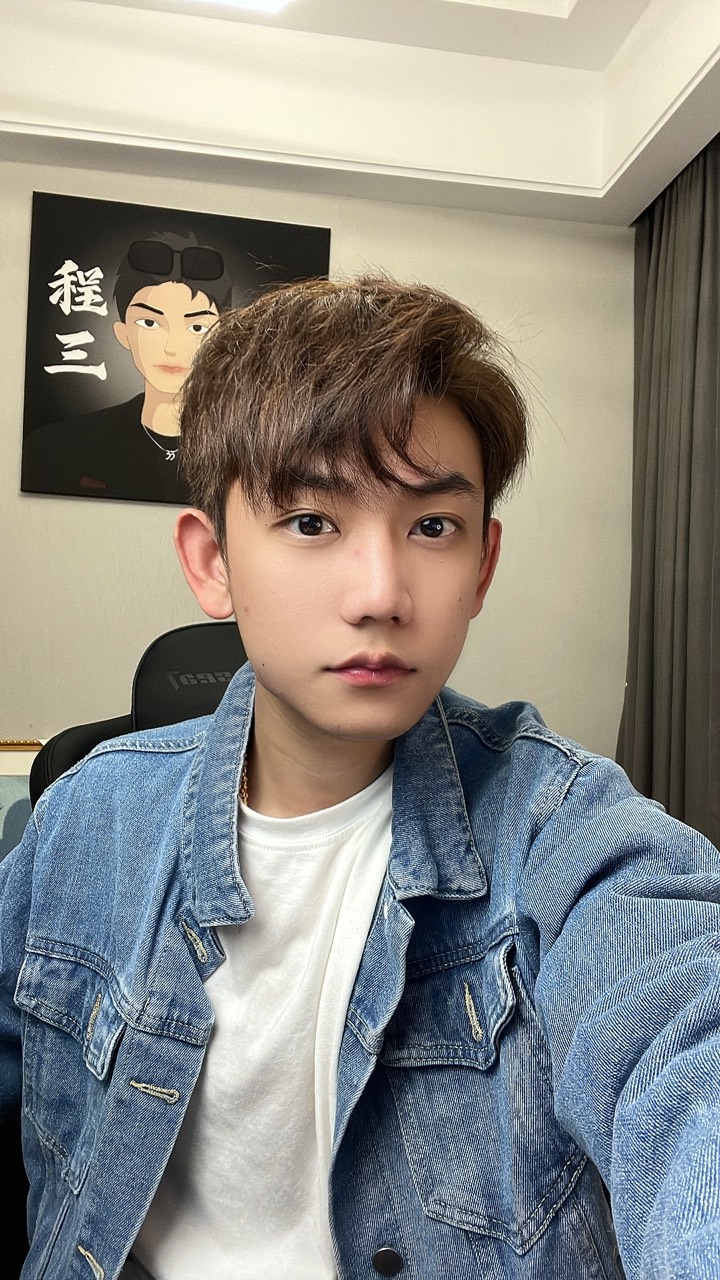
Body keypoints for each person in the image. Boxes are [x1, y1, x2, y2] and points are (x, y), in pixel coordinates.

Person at [3, 276, 720, 1280]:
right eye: (311, 521)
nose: (382, 594)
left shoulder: (567, 831)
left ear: (482, 563)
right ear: (212, 561)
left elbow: (685, 1050)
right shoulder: (88, 816)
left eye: (433, 527)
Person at [21, 230, 233, 504]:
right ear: (123, 334)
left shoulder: (248, 450)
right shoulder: (61, 445)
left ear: (220, 337)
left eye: (196, 327)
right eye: (150, 323)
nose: (172, 347)